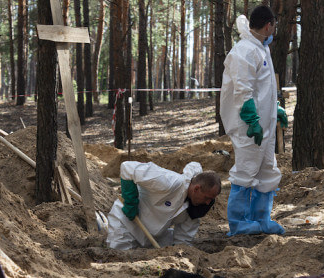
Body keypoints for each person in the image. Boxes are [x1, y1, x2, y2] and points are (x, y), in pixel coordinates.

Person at [220, 5, 287, 236]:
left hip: (263, 125)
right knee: (246, 170)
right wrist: (252, 121)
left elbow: (263, 89)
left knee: (267, 169)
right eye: (274, 25)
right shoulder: (244, 51)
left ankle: (261, 218)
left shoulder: (260, 48)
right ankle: (239, 223)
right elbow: (243, 92)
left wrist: (275, 109)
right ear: (269, 25)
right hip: (249, 127)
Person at [106, 161, 221, 250]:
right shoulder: (170, 182)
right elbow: (128, 167)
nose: (207, 203)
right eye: (207, 198)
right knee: (119, 256)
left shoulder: (195, 207)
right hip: (126, 225)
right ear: (196, 188)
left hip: (153, 236)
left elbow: (183, 240)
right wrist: (130, 201)